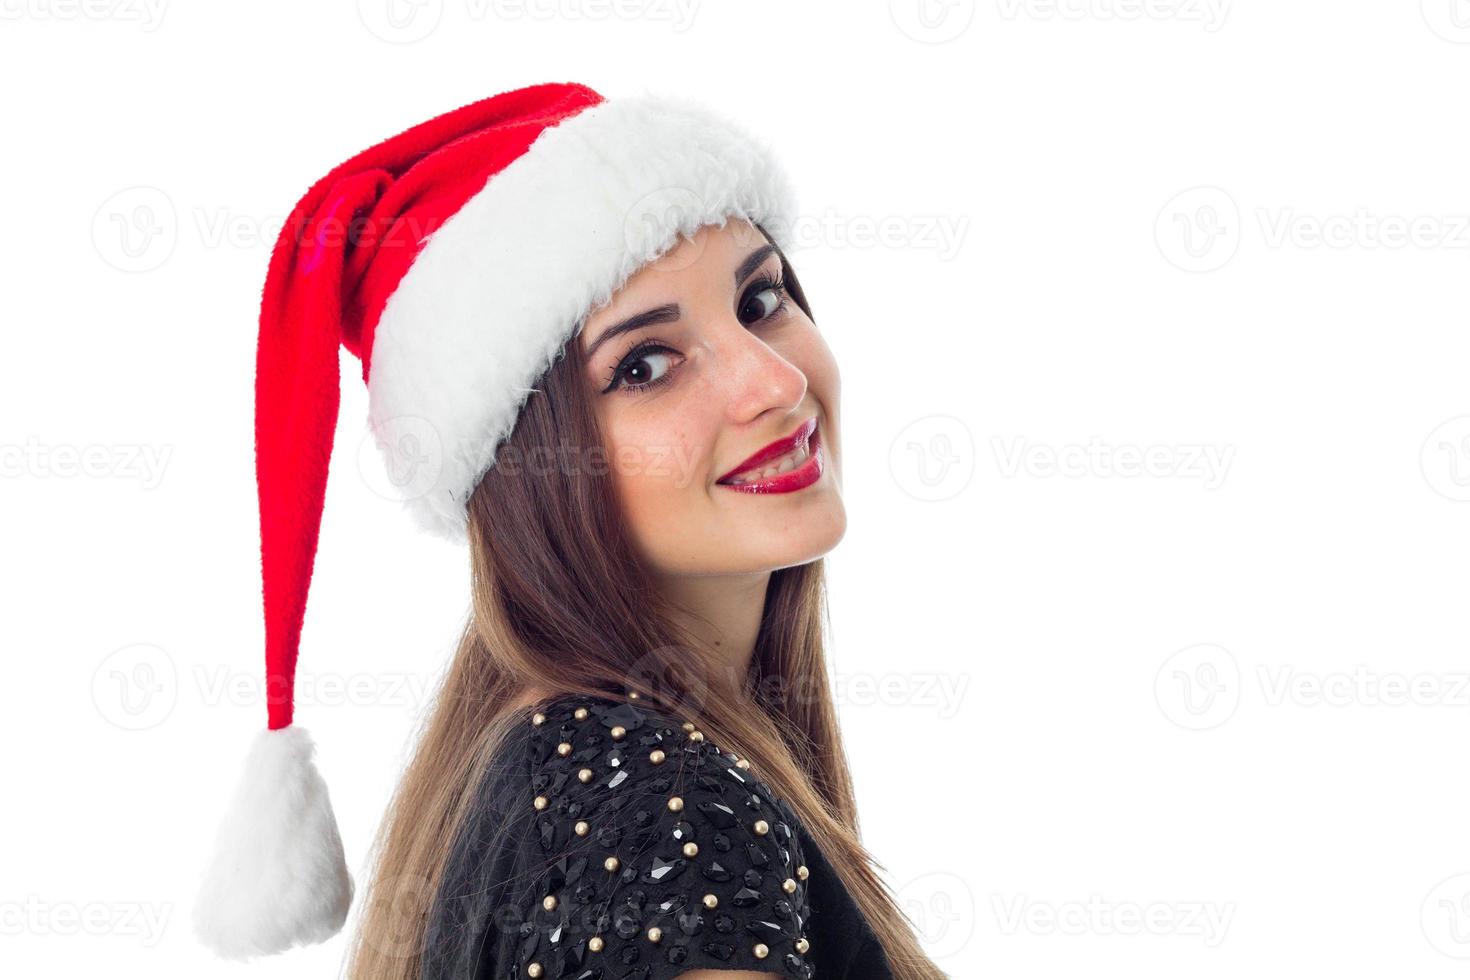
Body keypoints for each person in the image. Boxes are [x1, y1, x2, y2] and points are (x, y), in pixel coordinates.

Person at [193, 82, 946, 980]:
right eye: (646, 364)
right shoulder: (662, 806)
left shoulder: (565, 765)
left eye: (759, 301)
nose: (775, 382)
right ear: (528, 471)